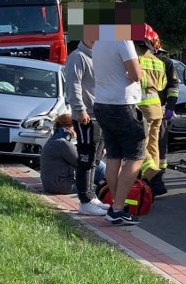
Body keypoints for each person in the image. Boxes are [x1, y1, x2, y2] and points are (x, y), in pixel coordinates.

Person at [93, 38, 144, 225]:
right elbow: (136, 74)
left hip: (102, 103)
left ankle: (116, 204)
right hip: (122, 105)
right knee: (135, 157)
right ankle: (118, 208)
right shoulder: (123, 41)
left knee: (114, 157)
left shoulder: (99, 42)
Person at [65, 36, 110, 216]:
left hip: (98, 115)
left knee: (95, 158)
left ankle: (91, 197)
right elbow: (73, 85)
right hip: (86, 116)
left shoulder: (97, 57)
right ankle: (84, 201)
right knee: (86, 157)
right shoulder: (78, 57)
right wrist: (80, 110)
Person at [40, 113, 107, 200]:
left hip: (52, 184)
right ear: (68, 129)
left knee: (97, 166)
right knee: (98, 167)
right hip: (60, 186)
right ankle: (111, 188)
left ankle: (109, 187)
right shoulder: (63, 144)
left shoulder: (54, 140)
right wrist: (100, 153)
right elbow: (85, 163)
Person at [135, 25, 167, 191]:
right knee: (153, 145)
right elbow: (162, 85)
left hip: (141, 109)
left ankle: (152, 174)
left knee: (141, 146)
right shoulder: (158, 62)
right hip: (156, 108)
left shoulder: (135, 59)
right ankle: (153, 183)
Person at [152, 37, 179, 197]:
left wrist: (170, 106)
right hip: (150, 109)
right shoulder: (138, 58)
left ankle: (158, 177)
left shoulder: (166, 62)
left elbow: (173, 86)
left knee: (158, 144)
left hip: (159, 109)